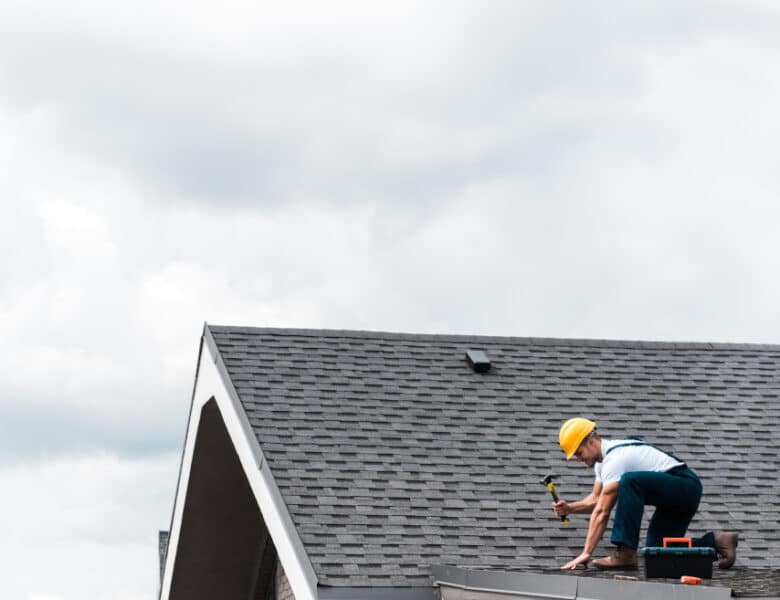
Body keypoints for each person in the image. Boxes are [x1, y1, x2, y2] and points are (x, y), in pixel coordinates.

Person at [554, 417, 739, 570]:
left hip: (685, 485)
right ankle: (717, 541)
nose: (578, 459)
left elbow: (603, 510)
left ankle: (625, 553)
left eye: (579, 453)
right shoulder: (603, 463)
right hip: (674, 493)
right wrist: (570, 508)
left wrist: (586, 552)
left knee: (629, 481)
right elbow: (596, 499)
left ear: (592, 441)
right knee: (656, 554)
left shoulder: (615, 459)